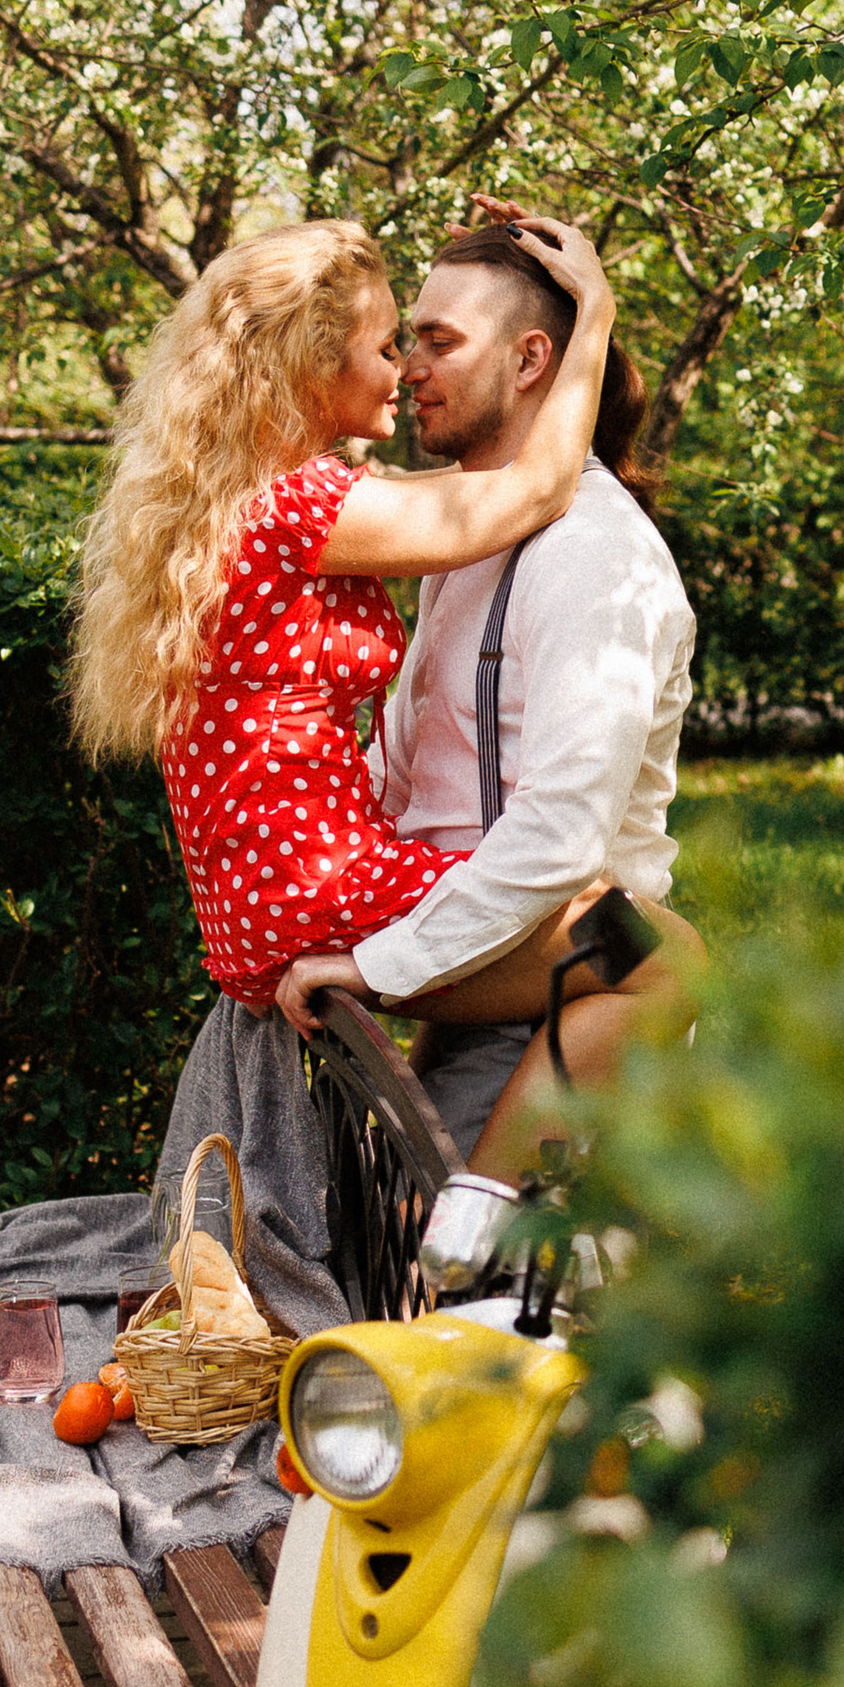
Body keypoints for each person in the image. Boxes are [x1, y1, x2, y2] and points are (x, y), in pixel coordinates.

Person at [67, 207, 616, 1011]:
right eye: (389, 345)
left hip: (265, 898)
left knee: (548, 949)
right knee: (646, 948)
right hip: (317, 886)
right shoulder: (299, 510)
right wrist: (593, 312)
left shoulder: (242, 503)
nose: (406, 367)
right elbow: (530, 490)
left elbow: (459, 491)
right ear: (313, 366)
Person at [270, 213, 700, 1172]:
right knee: (674, 962)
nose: (407, 367)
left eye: (437, 341)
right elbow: (404, 766)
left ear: (532, 359)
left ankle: (473, 1243)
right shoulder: (462, 543)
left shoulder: (596, 556)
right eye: (405, 340)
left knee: (656, 958)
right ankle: (465, 1252)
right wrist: (356, 935)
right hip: (462, 942)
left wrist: (380, 963)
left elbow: (564, 832)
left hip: (548, 969)